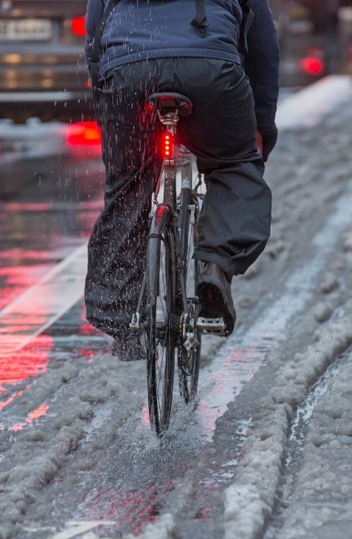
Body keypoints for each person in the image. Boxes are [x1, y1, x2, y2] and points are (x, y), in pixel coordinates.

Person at [84, 0, 280, 361]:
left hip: (128, 70)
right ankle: (215, 267)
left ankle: (120, 316)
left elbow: (94, 36)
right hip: (210, 68)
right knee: (232, 166)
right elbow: (263, 46)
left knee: (128, 185)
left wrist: (109, 104)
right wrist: (262, 126)